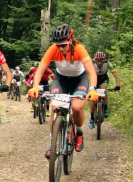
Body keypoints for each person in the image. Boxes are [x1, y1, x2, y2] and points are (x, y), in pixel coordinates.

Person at [28, 24, 99, 158]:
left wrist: (93, 89)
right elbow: (40, 70)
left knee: (77, 107)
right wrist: (35, 86)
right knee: (55, 107)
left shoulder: (79, 49)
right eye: (57, 45)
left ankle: (79, 132)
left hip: (79, 80)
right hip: (61, 80)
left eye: (63, 45)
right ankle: (52, 144)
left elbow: (91, 71)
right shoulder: (53, 49)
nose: (60, 48)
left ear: (70, 41)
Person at [89, 51, 121, 129]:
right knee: (92, 98)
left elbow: (116, 76)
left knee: (103, 90)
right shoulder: (92, 64)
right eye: (97, 61)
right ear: (95, 60)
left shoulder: (108, 64)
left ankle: (105, 108)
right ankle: (92, 118)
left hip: (104, 79)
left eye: (101, 61)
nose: (99, 63)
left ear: (104, 60)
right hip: (95, 79)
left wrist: (118, 85)